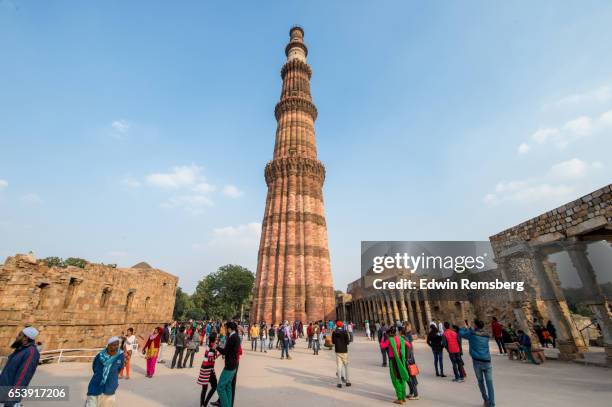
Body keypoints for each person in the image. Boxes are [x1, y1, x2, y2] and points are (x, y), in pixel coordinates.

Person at [0, 327, 41, 407]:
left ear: (26, 338)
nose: (17, 337)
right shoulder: (21, 349)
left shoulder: (31, 353)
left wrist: (11, 400)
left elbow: (22, 378)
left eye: (19, 335)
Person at [459, 320, 495, 407]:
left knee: (481, 382)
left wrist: (465, 327)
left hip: (477, 362)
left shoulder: (471, 334)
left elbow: (461, 333)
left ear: (475, 326)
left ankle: (486, 400)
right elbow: (476, 333)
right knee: (489, 383)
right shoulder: (486, 335)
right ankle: (492, 403)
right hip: (487, 361)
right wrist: (471, 329)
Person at [85, 336, 124, 407]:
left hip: (109, 389)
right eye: (114, 345)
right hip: (95, 387)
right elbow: (95, 368)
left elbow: (119, 368)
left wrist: (111, 376)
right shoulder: (99, 356)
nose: (116, 347)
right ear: (108, 346)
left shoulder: (120, 356)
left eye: (117, 345)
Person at [380, 326, 409, 404]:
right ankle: (403, 397)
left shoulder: (390, 340)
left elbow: (382, 345)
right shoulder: (401, 339)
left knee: (395, 378)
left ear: (389, 333)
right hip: (401, 360)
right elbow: (409, 345)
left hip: (393, 361)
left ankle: (399, 399)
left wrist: (383, 337)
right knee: (402, 378)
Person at [216, 321, 240, 407]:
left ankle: (225, 405)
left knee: (220, 387)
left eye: (226, 328)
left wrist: (217, 347)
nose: (225, 330)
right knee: (228, 386)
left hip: (230, 365)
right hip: (233, 364)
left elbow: (225, 352)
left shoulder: (232, 337)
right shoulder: (236, 336)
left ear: (229, 329)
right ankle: (228, 405)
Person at [198, 337, 219, 407]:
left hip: (204, 368)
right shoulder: (213, 346)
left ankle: (202, 404)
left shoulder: (208, 345)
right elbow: (210, 358)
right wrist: (219, 354)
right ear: (215, 339)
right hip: (209, 369)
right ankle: (205, 403)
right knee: (214, 386)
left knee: (204, 388)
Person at [332, 320, 351, 388]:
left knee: (339, 367)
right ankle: (348, 381)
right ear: (342, 325)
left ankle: (339, 383)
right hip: (344, 351)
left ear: (337, 325)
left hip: (338, 351)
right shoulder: (344, 332)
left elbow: (333, 342)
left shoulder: (334, 332)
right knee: (346, 366)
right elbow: (348, 342)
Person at [401, 327, 419, 400]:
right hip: (410, 360)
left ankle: (416, 394)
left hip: (409, 361)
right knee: (409, 378)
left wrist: (407, 360)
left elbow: (408, 351)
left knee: (411, 377)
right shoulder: (406, 339)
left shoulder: (404, 340)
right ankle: (412, 392)